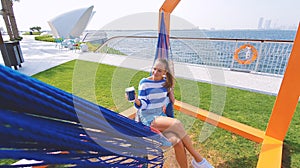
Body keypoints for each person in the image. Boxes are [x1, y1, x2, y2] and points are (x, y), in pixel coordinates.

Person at [132, 58, 213, 168]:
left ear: (165, 72)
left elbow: (172, 99)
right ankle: (199, 160)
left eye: (159, 71)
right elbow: (143, 104)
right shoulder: (144, 83)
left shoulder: (165, 83)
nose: (155, 72)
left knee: (178, 142)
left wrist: (171, 92)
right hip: (147, 117)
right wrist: (136, 100)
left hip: (160, 116)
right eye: (154, 69)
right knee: (176, 123)